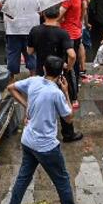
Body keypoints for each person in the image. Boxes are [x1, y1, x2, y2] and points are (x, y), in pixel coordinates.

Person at [2, 54, 94, 204]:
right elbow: (68, 118)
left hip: (28, 140)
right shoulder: (55, 93)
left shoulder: (33, 81)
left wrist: (26, 104)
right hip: (45, 146)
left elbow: (11, 88)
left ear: (44, 69)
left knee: (23, 178)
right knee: (62, 179)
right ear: (60, 74)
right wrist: (66, 92)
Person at [27, 8, 82, 143]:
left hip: (42, 72)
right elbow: (72, 55)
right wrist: (68, 67)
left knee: (41, 102)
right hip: (58, 73)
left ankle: (39, 131)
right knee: (63, 100)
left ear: (43, 15)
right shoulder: (62, 33)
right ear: (58, 15)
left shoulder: (35, 30)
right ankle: (68, 134)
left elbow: (29, 51)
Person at [57, 0, 85, 109]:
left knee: (69, 67)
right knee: (73, 66)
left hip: (69, 35)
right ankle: (73, 93)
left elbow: (59, 15)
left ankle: (73, 97)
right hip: (75, 31)